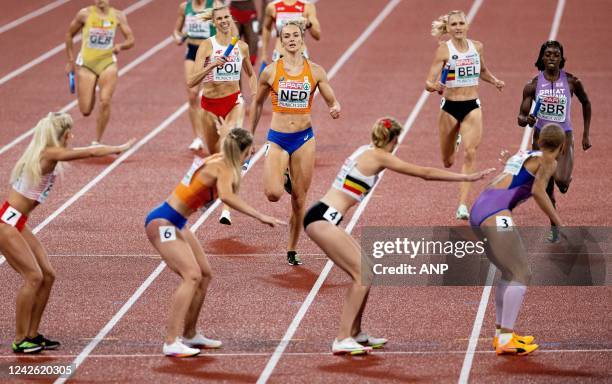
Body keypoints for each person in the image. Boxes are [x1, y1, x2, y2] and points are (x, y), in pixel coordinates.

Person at [304, 117, 494, 354]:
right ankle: (342, 338)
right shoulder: (380, 156)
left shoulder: (366, 150)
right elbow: (424, 173)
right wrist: (466, 178)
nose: (396, 146)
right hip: (323, 220)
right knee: (362, 273)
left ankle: (356, 333)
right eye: (397, 141)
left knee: (367, 271)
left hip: (322, 215)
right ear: (392, 139)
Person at [0, 112, 134, 354]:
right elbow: (90, 152)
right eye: (71, 131)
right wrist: (118, 148)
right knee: (34, 277)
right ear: (64, 134)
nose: (73, 135)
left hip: (17, 222)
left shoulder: (45, 153)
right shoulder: (50, 153)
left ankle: (33, 334)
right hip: (6, 224)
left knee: (47, 275)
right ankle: (20, 339)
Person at [144, 126, 284, 357]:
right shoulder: (223, 167)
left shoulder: (222, 158)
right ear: (244, 150)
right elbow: (228, 196)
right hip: (163, 223)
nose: (252, 154)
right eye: (250, 151)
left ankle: (190, 335)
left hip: (176, 221)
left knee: (205, 274)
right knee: (192, 276)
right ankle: (170, 341)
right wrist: (260, 216)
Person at [470, 123, 568, 356]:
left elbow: (514, 175)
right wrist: (556, 221)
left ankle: (502, 335)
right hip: (496, 213)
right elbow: (538, 191)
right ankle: (505, 338)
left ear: (539, 139)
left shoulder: (526, 153)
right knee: (522, 272)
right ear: (562, 146)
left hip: (479, 209)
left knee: (509, 272)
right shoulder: (549, 161)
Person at [250, 21, 340, 266]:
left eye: (295, 36)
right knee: (273, 194)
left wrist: (334, 106)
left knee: (299, 199)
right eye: (286, 36)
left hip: (303, 139)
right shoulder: (270, 71)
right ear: (280, 41)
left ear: (302, 39)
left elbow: (330, 97)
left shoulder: (315, 70)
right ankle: (285, 176)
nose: (291, 39)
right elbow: (257, 103)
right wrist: (250, 134)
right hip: (278, 138)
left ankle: (291, 248)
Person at [425, 10, 504, 220]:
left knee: (470, 153)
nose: (458, 27)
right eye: (454, 24)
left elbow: (482, 71)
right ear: (448, 28)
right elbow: (428, 81)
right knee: (448, 161)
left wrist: (494, 80)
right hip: (449, 107)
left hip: (472, 106)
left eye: (461, 23)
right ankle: (455, 139)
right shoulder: (444, 50)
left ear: (466, 25)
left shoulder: (477, 47)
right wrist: (433, 86)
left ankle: (462, 205)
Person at [188, 5, 256, 226]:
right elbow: (191, 81)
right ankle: (212, 191)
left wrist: (255, 94)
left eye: (227, 17)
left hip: (233, 102)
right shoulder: (207, 46)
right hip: (209, 105)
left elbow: (250, 73)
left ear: (232, 20)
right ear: (214, 22)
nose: (225, 21)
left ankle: (227, 208)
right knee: (215, 154)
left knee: (229, 149)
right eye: (220, 18)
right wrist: (212, 66)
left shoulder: (241, 47)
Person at [517, 40, 591, 242]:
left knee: (561, 182)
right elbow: (520, 119)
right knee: (546, 186)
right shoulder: (532, 85)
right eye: (548, 54)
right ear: (542, 57)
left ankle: (565, 179)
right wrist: (528, 119)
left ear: (561, 58)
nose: (551, 58)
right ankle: (554, 228)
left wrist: (586, 134)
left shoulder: (571, 82)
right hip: (541, 139)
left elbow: (586, 103)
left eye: (556, 55)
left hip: (563, 138)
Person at [65, 0, 135, 145]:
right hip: (87, 65)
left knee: (105, 101)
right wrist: (70, 61)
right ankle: (91, 91)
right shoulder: (84, 14)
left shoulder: (117, 16)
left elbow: (131, 40)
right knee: (85, 110)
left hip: (107, 63)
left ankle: (97, 140)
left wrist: (120, 46)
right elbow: (69, 35)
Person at [173, 0, 223, 152]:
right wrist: (177, 37)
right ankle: (198, 137)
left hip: (210, 53)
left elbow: (226, 27)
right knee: (192, 94)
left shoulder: (214, 5)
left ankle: (220, 130)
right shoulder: (185, 7)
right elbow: (176, 30)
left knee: (214, 95)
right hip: (193, 51)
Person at [229, 0, 259, 67]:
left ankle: (250, 71)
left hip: (249, 9)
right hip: (234, 10)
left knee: (253, 40)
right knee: (232, 40)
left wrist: (262, 21)